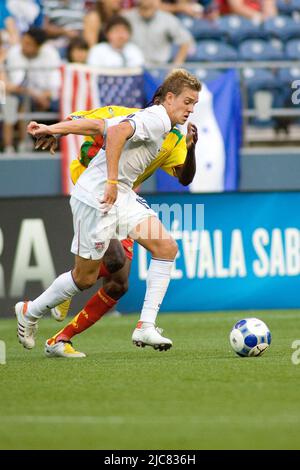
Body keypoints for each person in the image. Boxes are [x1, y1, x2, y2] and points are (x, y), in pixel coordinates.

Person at [15, 68, 201, 354]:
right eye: (187, 102)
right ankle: (29, 311)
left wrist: (53, 129)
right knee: (85, 278)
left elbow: (98, 128)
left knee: (165, 247)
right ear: (170, 98)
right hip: (96, 197)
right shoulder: (155, 118)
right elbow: (113, 133)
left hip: (121, 195)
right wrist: (112, 181)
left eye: (195, 104)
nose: (191, 109)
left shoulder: (165, 126)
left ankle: (146, 327)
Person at [123, 0, 193, 65]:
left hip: (159, 67)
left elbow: (185, 41)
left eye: (150, 3)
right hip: (133, 67)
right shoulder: (126, 18)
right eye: (144, 4)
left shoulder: (167, 18)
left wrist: (176, 66)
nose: (147, 4)